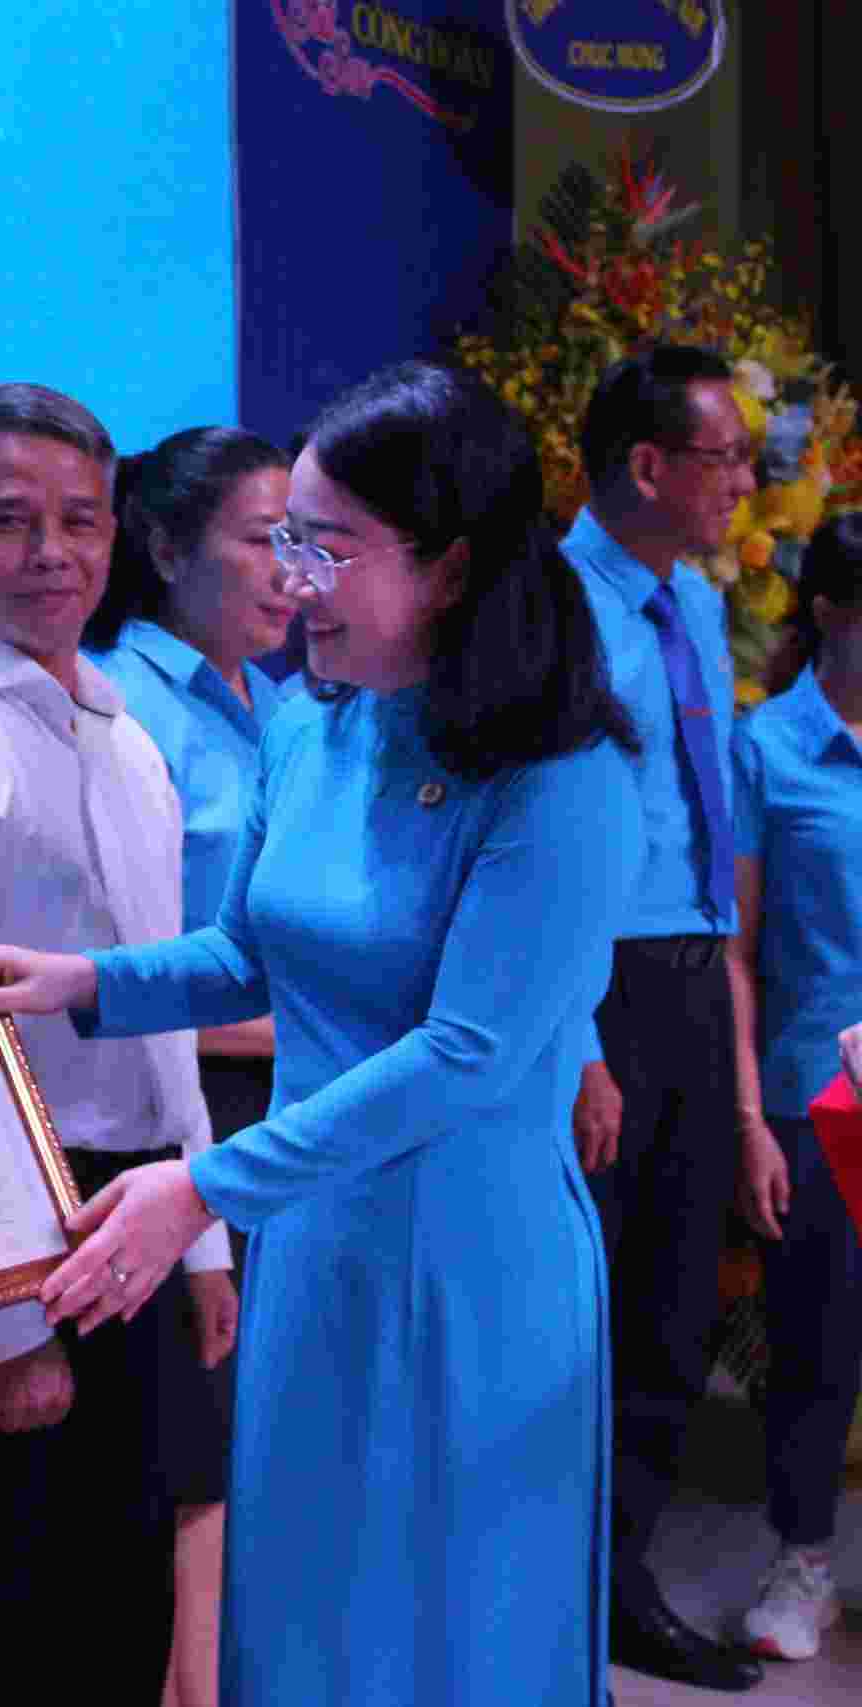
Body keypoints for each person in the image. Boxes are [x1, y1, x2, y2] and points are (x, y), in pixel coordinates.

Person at [0, 360, 642, 1706]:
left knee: (442, 1629)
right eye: (280, 539)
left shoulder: (562, 773)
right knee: (305, 1621)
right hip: (315, 1236)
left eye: (324, 544)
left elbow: (468, 1051)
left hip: (466, 1267)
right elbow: (255, 952)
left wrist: (200, 1185)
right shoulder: (320, 722)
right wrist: (82, 981)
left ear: (446, 563)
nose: (290, 579)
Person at [0, 387, 236, 1707]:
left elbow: (160, 999)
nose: (52, 551)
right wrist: (2, 1323)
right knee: (19, 1619)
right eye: (10, 522)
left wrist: (205, 1238)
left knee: (123, 1598)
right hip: (17, 1216)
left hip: (138, 1210)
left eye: (80, 519)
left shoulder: (127, 734)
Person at [561, 344, 766, 1692]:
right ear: (649, 466)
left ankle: (621, 1575)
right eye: (728, 457)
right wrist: (575, 1038)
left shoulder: (692, 606)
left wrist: (744, 1084)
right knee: (583, 1306)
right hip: (592, 979)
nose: (746, 482)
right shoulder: (549, 605)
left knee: (678, 1304)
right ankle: (556, 1589)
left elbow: (712, 841)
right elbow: (536, 843)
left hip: (693, 972)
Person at [723, 512, 862, 1663]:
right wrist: (745, 1123)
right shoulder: (764, 750)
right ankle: (801, 1560)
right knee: (819, 1339)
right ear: (826, 611)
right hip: (816, 1093)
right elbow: (733, 947)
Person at [83, 428, 296, 1150]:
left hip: (296, 1087)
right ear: (170, 551)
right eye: (267, 540)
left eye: (302, 542)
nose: (292, 571)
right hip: (178, 1101)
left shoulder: (281, 704)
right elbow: (97, 966)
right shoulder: (112, 700)